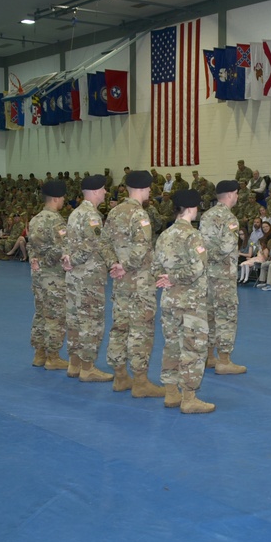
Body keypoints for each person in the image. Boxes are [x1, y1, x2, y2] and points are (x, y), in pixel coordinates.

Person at [101, 170, 165, 397]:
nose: (150, 191)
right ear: (143, 188)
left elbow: (104, 243)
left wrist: (114, 264)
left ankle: (120, 377)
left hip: (120, 282)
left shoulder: (115, 212)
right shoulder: (140, 215)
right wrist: (126, 265)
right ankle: (140, 382)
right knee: (141, 329)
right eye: (149, 188)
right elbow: (141, 248)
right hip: (139, 282)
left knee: (120, 327)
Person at [154, 190, 216, 413]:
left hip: (169, 300)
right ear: (192, 208)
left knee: (172, 345)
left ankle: (171, 393)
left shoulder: (164, 235)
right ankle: (189, 398)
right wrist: (174, 277)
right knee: (193, 348)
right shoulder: (193, 236)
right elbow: (197, 269)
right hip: (190, 302)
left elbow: (155, 267)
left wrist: (166, 279)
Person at [63, 175, 118, 382]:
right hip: (88, 277)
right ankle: (88, 367)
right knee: (91, 320)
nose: (105, 192)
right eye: (103, 189)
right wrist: (75, 260)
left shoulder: (74, 213)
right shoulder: (91, 216)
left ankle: (74, 364)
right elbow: (92, 246)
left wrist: (67, 260)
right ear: (95, 191)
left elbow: (67, 243)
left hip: (74, 277)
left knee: (75, 319)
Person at [199, 180, 247, 374]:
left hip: (206, 274)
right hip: (223, 276)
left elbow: (201, 245)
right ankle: (224, 360)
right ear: (231, 194)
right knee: (226, 315)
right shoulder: (230, 219)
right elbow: (227, 248)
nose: (237, 197)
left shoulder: (206, 216)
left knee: (209, 314)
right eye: (236, 193)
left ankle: (209, 357)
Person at [28, 181, 70, 371]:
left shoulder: (35, 219)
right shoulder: (55, 220)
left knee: (41, 313)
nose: (63, 201)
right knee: (55, 316)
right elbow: (61, 249)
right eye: (62, 198)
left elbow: (31, 246)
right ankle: (53, 356)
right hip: (53, 276)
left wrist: (36, 260)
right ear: (56, 198)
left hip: (38, 275)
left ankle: (39, 354)